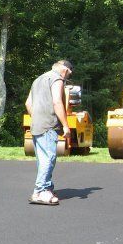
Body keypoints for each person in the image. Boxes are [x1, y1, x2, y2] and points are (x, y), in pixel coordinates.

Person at [25, 60, 73, 206]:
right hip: (48, 126)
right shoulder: (56, 78)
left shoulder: (37, 80)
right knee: (49, 158)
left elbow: (28, 103)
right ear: (65, 70)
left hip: (37, 125)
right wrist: (65, 126)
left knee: (42, 159)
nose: (68, 76)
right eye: (69, 72)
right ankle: (40, 191)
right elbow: (57, 102)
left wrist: (37, 117)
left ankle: (47, 188)